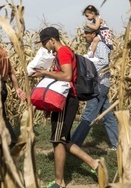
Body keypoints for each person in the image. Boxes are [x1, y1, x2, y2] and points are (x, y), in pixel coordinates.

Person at [31, 27, 102, 188]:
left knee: (58, 140)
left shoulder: (62, 52)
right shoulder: (61, 52)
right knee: (63, 140)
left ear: (52, 40)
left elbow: (67, 76)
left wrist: (44, 73)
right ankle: (94, 164)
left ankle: (59, 182)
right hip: (63, 100)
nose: (43, 46)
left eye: (44, 42)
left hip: (67, 100)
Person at [71, 27, 119, 151]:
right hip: (99, 84)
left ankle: (75, 143)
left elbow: (104, 62)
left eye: (87, 32)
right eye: (84, 32)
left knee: (88, 113)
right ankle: (118, 144)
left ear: (94, 34)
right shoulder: (92, 46)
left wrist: (88, 69)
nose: (84, 34)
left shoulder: (101, 45)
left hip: (100, 84)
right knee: (107, 115)